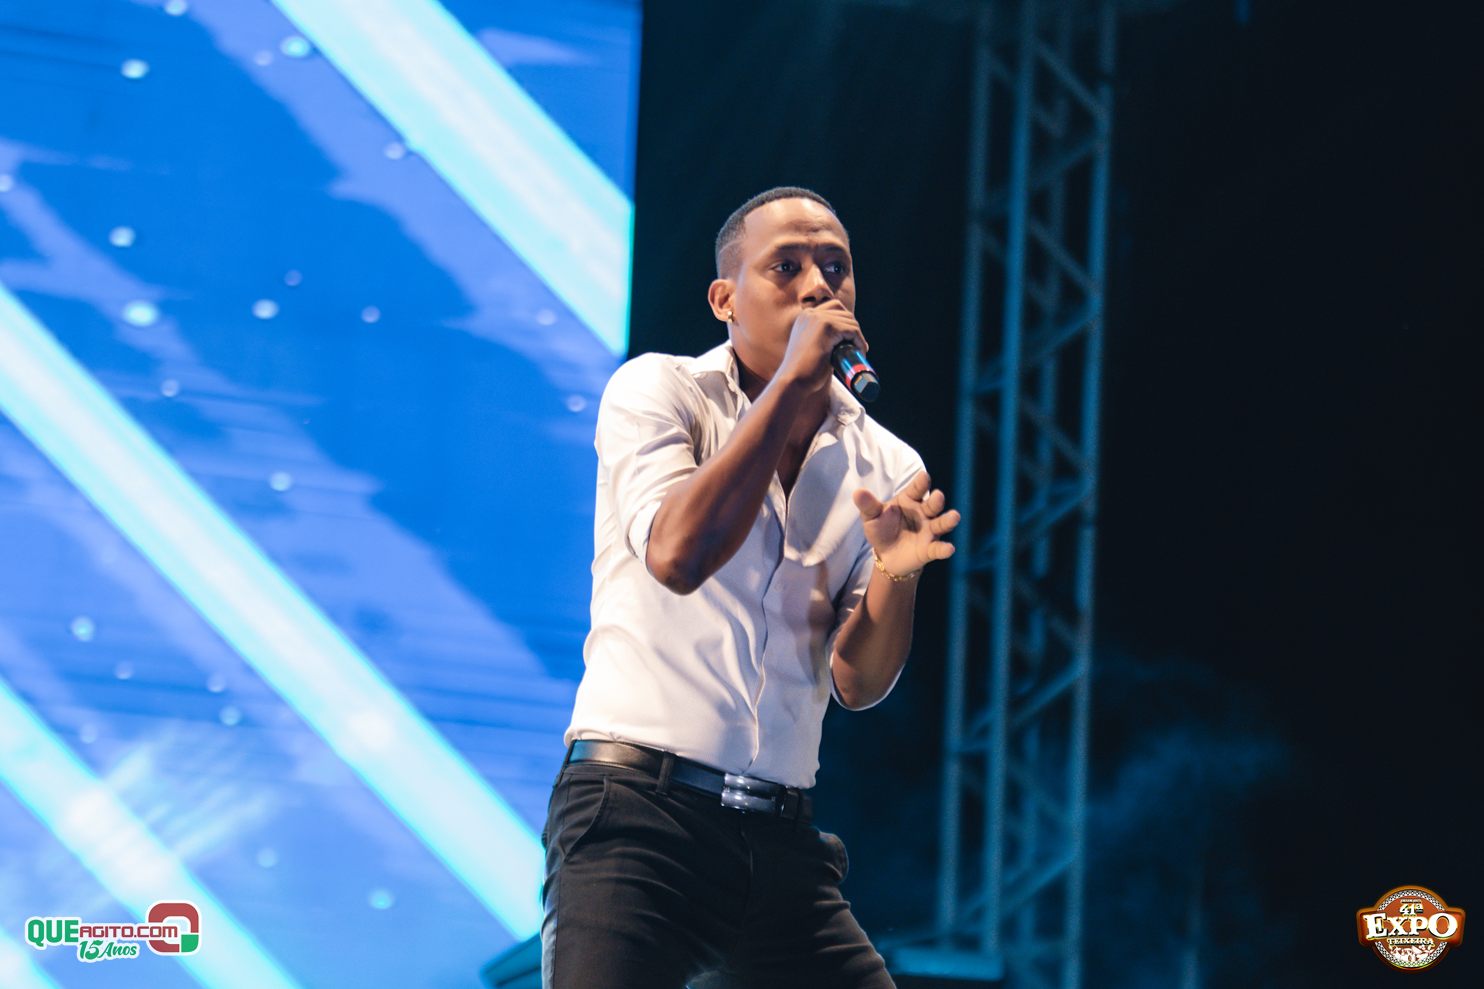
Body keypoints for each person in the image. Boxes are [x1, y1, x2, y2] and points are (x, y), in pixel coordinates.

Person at [541, 187, 959, 989]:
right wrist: (792, 384)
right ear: (724, 299)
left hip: (781, 840)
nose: (818, 285)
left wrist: (898, 574)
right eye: (787, 267)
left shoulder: (887, 463)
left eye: (835, 267)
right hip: (637, 816)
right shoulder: (659, 392)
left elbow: (859, 681)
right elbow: (678, 555)